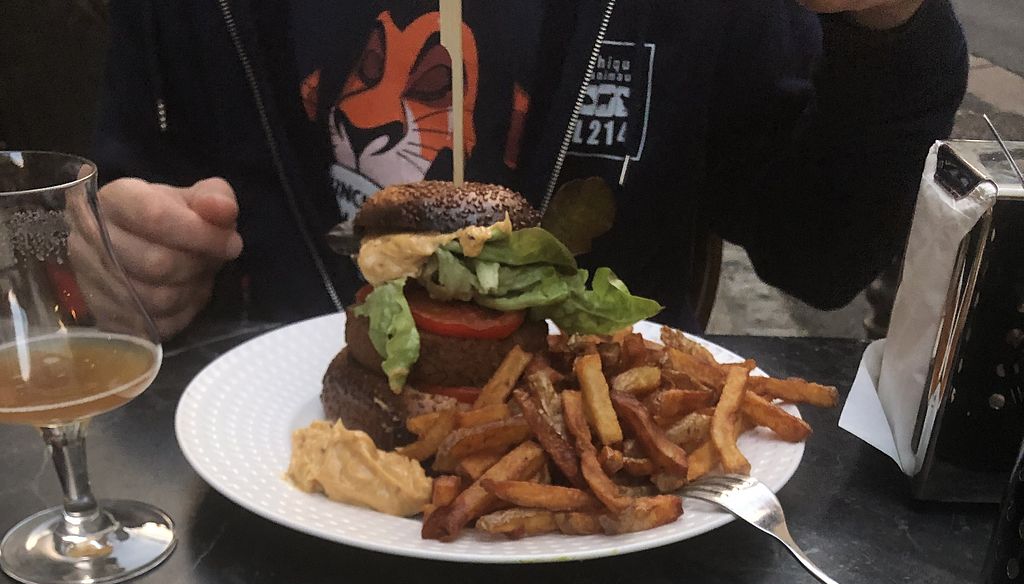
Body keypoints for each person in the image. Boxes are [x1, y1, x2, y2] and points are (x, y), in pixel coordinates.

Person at [93, 0, 968, 339]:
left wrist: (889, 27)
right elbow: (91, 200)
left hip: (611, 526)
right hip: (252, 484)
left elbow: (820, 256)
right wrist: (100, 264)